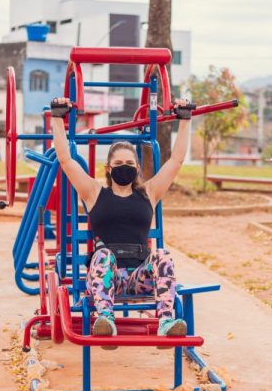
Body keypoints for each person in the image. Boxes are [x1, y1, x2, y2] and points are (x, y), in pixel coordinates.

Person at [50, 96, 195, 344]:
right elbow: (66, 160)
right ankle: (105, 321)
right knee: (103, 254)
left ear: (137, 168)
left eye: (129, 163)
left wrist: (185, 120)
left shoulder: (149, 192)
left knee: (163, 255)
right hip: (107, 279)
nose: (124, 167)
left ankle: (166, 322)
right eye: (118, 163)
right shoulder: (94, 193)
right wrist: (56, 117)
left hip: (140, 277)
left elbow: (176, 160)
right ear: (108, 168)